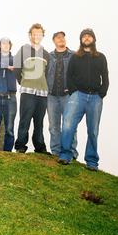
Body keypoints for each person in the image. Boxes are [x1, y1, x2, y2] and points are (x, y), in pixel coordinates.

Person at [58, 28, 109, 171]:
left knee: (93, 130)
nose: (86, 38)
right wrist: (73, 92)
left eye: (89, 36)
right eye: (84, 36)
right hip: (77, 96)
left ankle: (92, 162)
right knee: (68, 125)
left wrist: (101, 93)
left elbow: (105, 77)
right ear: (81, 40)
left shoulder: (101, 57)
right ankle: (65, 155)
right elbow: (69, 76)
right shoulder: (75, 57)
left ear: (93, 39)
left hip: (95, 98)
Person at [14, 23, 50, 153]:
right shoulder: (24, 50)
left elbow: (48, 73)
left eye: (39, 34)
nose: (36, 36)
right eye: (34, 33)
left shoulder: (46, 54)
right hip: (28, 91)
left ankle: (40, 147)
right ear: (30, 35)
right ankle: (20, 146)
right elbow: (17, 69)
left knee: (39, 122)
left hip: (42, 93)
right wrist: (23, 82)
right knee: (25, 119)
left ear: (42, 36)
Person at [47, 31, 78, 159]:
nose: (61, 39)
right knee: (54, 125)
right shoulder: (49, 56)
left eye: (62, 37)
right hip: (51, 96)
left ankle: (71, 152)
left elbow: (78, 73)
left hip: (68, 96)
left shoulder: (74, 56)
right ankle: (56, 152)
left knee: (70, 124)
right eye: (58, 38)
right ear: (54, 41)